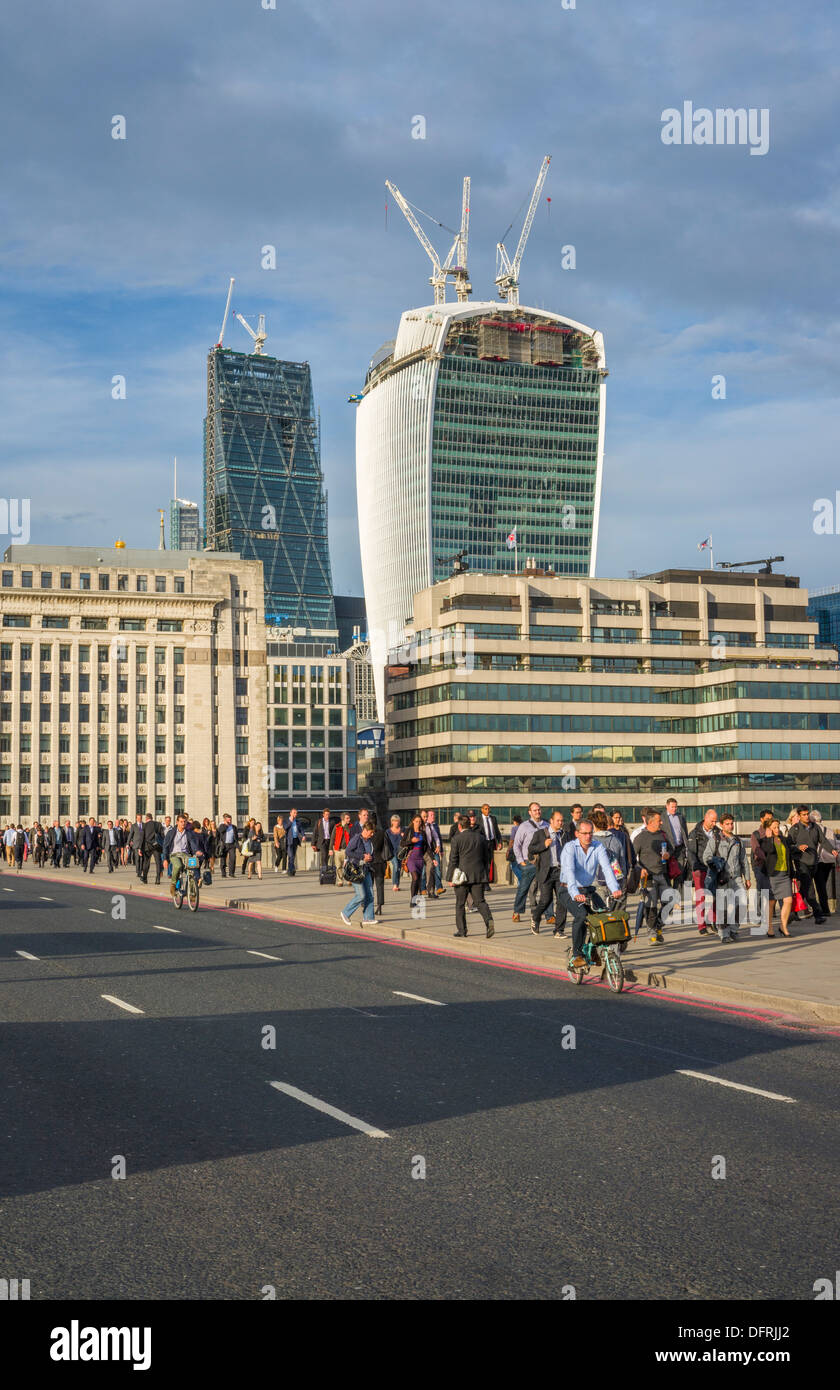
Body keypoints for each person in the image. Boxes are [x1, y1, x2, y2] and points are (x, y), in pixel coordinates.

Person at [558, 820, 622, 968]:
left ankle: (592, 949)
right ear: (577, 834)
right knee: (581, 916)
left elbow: (607, 868)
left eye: (590, 833)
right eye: (584, 833)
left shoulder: (597, 846)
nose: (588, 836)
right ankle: (577, 955)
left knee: (602, 915)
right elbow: (569, 872)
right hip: (568, 888)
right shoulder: (570, 848)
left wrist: (615, 889)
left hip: (587, 889)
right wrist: (575, 894)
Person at [446, 813, 495, 939]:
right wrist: (483, 871)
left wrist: (450, 877)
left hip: (462, 876)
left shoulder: (457, 839)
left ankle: (462, 930)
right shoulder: (480, 838)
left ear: (460, 826)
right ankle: (488, 920)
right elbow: (487, 857)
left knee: (460, 904)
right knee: (480, 901)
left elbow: (453, 860)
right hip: (478, 874)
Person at [703, 813, 749, 941]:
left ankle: (733, 929)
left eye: (732, 823)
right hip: (722, 878)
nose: (730, 826)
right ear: (721, 825)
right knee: (722, 907)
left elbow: (744, 860)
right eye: (727, 824)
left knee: (743, 903)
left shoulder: (738, 841)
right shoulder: (715, 839)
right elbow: (706, 857)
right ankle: (724, 934)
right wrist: (715, 862)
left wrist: (748, 878)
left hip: (736, 878)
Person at [789, 805, 837, 924]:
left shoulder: (815, 827)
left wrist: (832, 850)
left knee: (803, 889)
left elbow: (823, 841)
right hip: (801, 863)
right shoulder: (794, 829)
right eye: (804, 815)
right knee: (809, 889)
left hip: (814, 862)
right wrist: (797, 847)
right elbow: (788, 846)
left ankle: (792, 913)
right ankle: (818, 915)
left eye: (807, 814)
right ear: (799, 816)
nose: (806, 816)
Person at [633, 809, 671, 943]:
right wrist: (640, 868)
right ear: (650, 822)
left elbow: (670, 849)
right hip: (648, 877)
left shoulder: (663, 835)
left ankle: (659, 925)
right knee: (651, 906)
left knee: (670, 902)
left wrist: (668, 855)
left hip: (663, 874)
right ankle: (652, 933)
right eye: (659, 820)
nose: (661, 822)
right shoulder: (641, 837)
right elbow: (632, 857)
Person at [528, 809, 566, 936]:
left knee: (562, 901)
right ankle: (536, 916)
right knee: (546, 899)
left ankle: (559, 930)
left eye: (562, 820)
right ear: (551, 821)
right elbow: (531, 849)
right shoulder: (540, 834)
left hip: (560, 872)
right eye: (558, 820)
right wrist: (543, 845)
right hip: (546, 872)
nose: (560, 823)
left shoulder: (564, 835)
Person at [511, 802, 548, 921]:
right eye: (535, 810)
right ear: (530, 812)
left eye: (539, 810)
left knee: (546, 888)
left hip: (543, 862)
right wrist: (520, 860)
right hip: (528, 862)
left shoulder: (546, 825)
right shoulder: (524, 826)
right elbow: (517, 844)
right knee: (524, 888)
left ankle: (549, 915)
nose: (537, 812)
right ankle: (517, 911)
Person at [757, 818, 793, 937]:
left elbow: (788, 857)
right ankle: (770, 927)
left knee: (788, 900)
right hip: (772, 875)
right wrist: (768, 838)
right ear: (768, 829)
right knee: (771, 903)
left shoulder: (783, 839)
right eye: (774, 827)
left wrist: (793, 874)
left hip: (784, 874)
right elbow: (769, 851)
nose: (777, 829)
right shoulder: (764, 841)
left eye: (778, 826)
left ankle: (783, 926)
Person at [687, 809, 719, 934]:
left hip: (713, 868)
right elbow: (690, 852)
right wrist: (695, 867)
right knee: (701, 897)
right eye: (712, 821)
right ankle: (701, 925)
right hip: (699, 868)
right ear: (706, 818)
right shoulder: (695, 833)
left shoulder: (717, 832)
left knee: (715, 896)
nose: (714, 823)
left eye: (716, 821)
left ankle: (713, 921)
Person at [340, 822, 376, 926]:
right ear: (365, 830)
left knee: (370, 895)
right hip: (355, 870)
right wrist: (362, 856)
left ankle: (368, 918)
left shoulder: (369, 841)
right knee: (361, 895)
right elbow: (348, 851)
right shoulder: (357, 838)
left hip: (366, 870)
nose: (372, 834)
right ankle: (345, 912)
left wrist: (370, 858)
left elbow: (370, 854)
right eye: (371, 832)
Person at [162, 814, 202, 896]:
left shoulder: (189, 833)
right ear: (177, 822)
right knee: (178, 866)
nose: (183, 823)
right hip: (174, 855)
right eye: (181, 822)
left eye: (184, 822)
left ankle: (192, 893)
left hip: (185, 854)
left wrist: (197, 851)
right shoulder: (171, 832)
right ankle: (173, 884)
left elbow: (193, 843)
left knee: (192, 870)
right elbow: (165, 846)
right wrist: (165, 859)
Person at [811, 810, 837, 919]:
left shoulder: (813, 830)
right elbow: (835, 845)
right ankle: (824, 908)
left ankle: (824, 909)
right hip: (829, 861)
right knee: (824, 885)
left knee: (820, 887)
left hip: (818, 861)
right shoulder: (830, 831)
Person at [662, 797, 689, 885]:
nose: (674, 809)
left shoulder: (680, 817)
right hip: (668, 849)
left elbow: (685, 832)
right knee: (668, 872)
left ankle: (676, 892)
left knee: (679, 872)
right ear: (667, 806)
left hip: (680, 849)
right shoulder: (662, 818)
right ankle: (668, 891)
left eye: (675, 807)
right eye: (672, 807)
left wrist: (686, 846)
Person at [400, 815, 426, 906]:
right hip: (411, 858)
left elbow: (427, 847)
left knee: (418, 880)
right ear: (413, 821)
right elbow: (402, 843)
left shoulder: (423, 833)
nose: (418, 823)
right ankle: (412, 900)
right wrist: (411, 841)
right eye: (416, 821)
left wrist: (433, 858)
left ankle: (414, 899)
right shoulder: (409, 831)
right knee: (415, 877)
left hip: (420, 859)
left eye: (420, 821)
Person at [368, 814, 387, 916]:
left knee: (369, 885)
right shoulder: (382, 833)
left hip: (370, 862)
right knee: (380, 886)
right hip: (380, 862)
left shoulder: (369, 834)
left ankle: (369, 905)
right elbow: (387, 846)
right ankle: (379, 907)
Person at [422, 810, 444, 897]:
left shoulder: (433, 826)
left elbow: (438, 837)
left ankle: (438, 888)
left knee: (436, 869)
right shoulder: (422, 826)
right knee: (424, 871)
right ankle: (423, 888)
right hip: (424, 852)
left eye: (433, 815)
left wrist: (439, 847)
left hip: (434, 851)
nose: (432, 816)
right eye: (430, 815)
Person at [478, 803, 501, 881]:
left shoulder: (493, 818)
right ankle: (482, 879)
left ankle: (486, 881)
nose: (487, 810)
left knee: (489, 862)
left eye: (488, 809)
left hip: (491, 842)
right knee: (482, 861)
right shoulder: (478, 820)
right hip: (482, 843)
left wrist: (499, 842)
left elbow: (497, 831)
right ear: (482, 810)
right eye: (485, 809)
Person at [140, 813, 163, 885]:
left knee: (146, 862)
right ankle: (158, 879)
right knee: (158, 862)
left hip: (147, 846)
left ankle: (145, 878)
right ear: (152, 818)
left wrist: (140, 848)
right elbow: (162, 836)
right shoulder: (158, 824)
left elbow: (142, 838)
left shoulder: (144, 825)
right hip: (156, 846)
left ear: (146, 818)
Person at [331, 812, 352, 887]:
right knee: (338, 866)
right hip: (338, 850)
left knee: (348, 866)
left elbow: (351, 835)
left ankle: (349, 879)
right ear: (343, 819)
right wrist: (330, 849)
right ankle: (340, 881)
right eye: (347, 818)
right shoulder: (337, 826)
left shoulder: (351, 826)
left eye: (349, 818)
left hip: (348, 849)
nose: (349, 819)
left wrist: (346, 827)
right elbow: (332, 838)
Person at [313, 808, 334, 874]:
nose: (327, 816)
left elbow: (334, 833)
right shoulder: (319, 822)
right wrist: (313, 843)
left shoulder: (332, 822)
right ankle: (324, 869)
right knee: (324, 854)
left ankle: (325, 867)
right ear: (323, 815)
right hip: (322, 841)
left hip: (329, 841)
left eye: (328, 814)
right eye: (326, 814)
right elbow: (315, 832)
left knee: (328, 855)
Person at [284, 808, 303, 876]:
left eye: (296, 813)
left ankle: (290, 870)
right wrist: (290, 822)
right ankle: (292, 869)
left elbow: (301, 829)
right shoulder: (286, 821)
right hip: (289, 840)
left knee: (293, 856)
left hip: (295, 840)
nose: (295, 814)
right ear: (290, 813)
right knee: (291, 855)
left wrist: (303, 836)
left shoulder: (297, 821)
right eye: (294, 813)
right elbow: (285, 827)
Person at [386, 815, 403, 891]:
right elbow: (385, 842)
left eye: (397, 821)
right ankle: (394, 884)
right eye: (395, 821)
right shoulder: (388, 831)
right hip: (392, 853)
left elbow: (406, 840)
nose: (396, 822)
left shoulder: (402, 830)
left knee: (399, 868)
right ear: (392, 822)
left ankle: (397, 884)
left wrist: (404, 836)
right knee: (395, 866)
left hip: (400, 853)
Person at [129, 814, 145, 880]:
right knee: (137, 859)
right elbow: (130, 834)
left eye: (140, 818)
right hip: (136, 845)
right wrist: (128, 843)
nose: (139, 819)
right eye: (138, 818)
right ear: (136, 818)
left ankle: (141, 871)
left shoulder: (144, 825)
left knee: (142, 859)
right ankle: (138, 872)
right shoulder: (133, 826)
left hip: (143, 845)